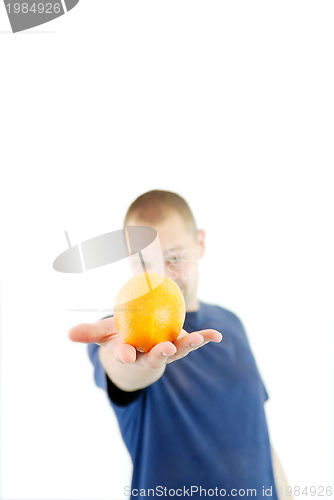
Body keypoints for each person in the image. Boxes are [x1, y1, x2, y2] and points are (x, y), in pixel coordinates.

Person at [69, 190, 290, 500]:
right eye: (145, 263)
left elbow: (259, 435)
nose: (161, 278)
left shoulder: (232, 325)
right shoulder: (123, 333)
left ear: (200, 243)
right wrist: (135, 362)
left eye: (173, 258)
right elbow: (126, 375)